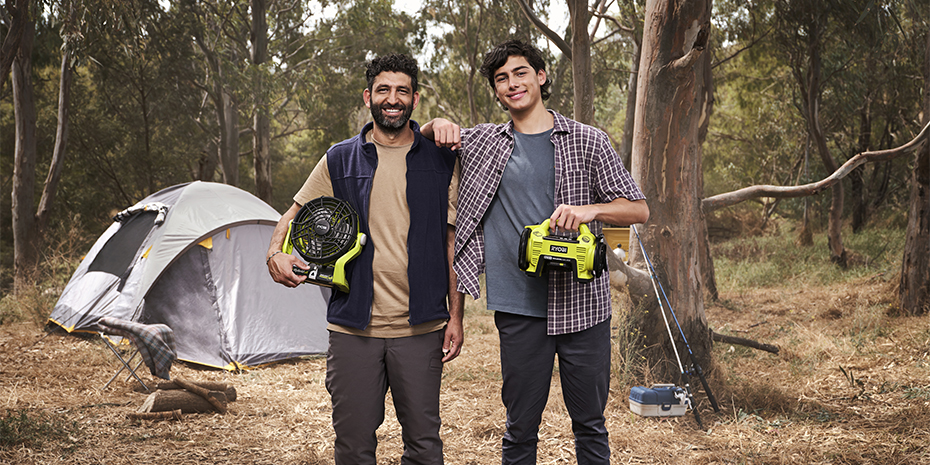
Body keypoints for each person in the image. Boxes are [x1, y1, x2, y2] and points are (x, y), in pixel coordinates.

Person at [421, 39, 649, 464]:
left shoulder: (588, 141)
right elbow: (421, 139)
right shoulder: (483, 143)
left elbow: (639, 209)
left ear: (541, 76)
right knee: (520, 429)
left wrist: (589, 210)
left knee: (590, 426)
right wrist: (436, 123)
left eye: (520, 73)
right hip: (519, 308)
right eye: (501, 79)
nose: (512, 84)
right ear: (496, 90)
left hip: (584, 307)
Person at [267, 53, 463, 465]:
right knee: (353, 447)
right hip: (352, 328)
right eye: (383, 90)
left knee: (425, 447)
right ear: (368, 97)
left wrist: (456, 318)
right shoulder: (339, 158)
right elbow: (293, 214)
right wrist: (275, 253)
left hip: (422, 326)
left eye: (402, 91)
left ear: (415, 98)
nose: (392, 99)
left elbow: (452, 245)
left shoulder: (441, 159)